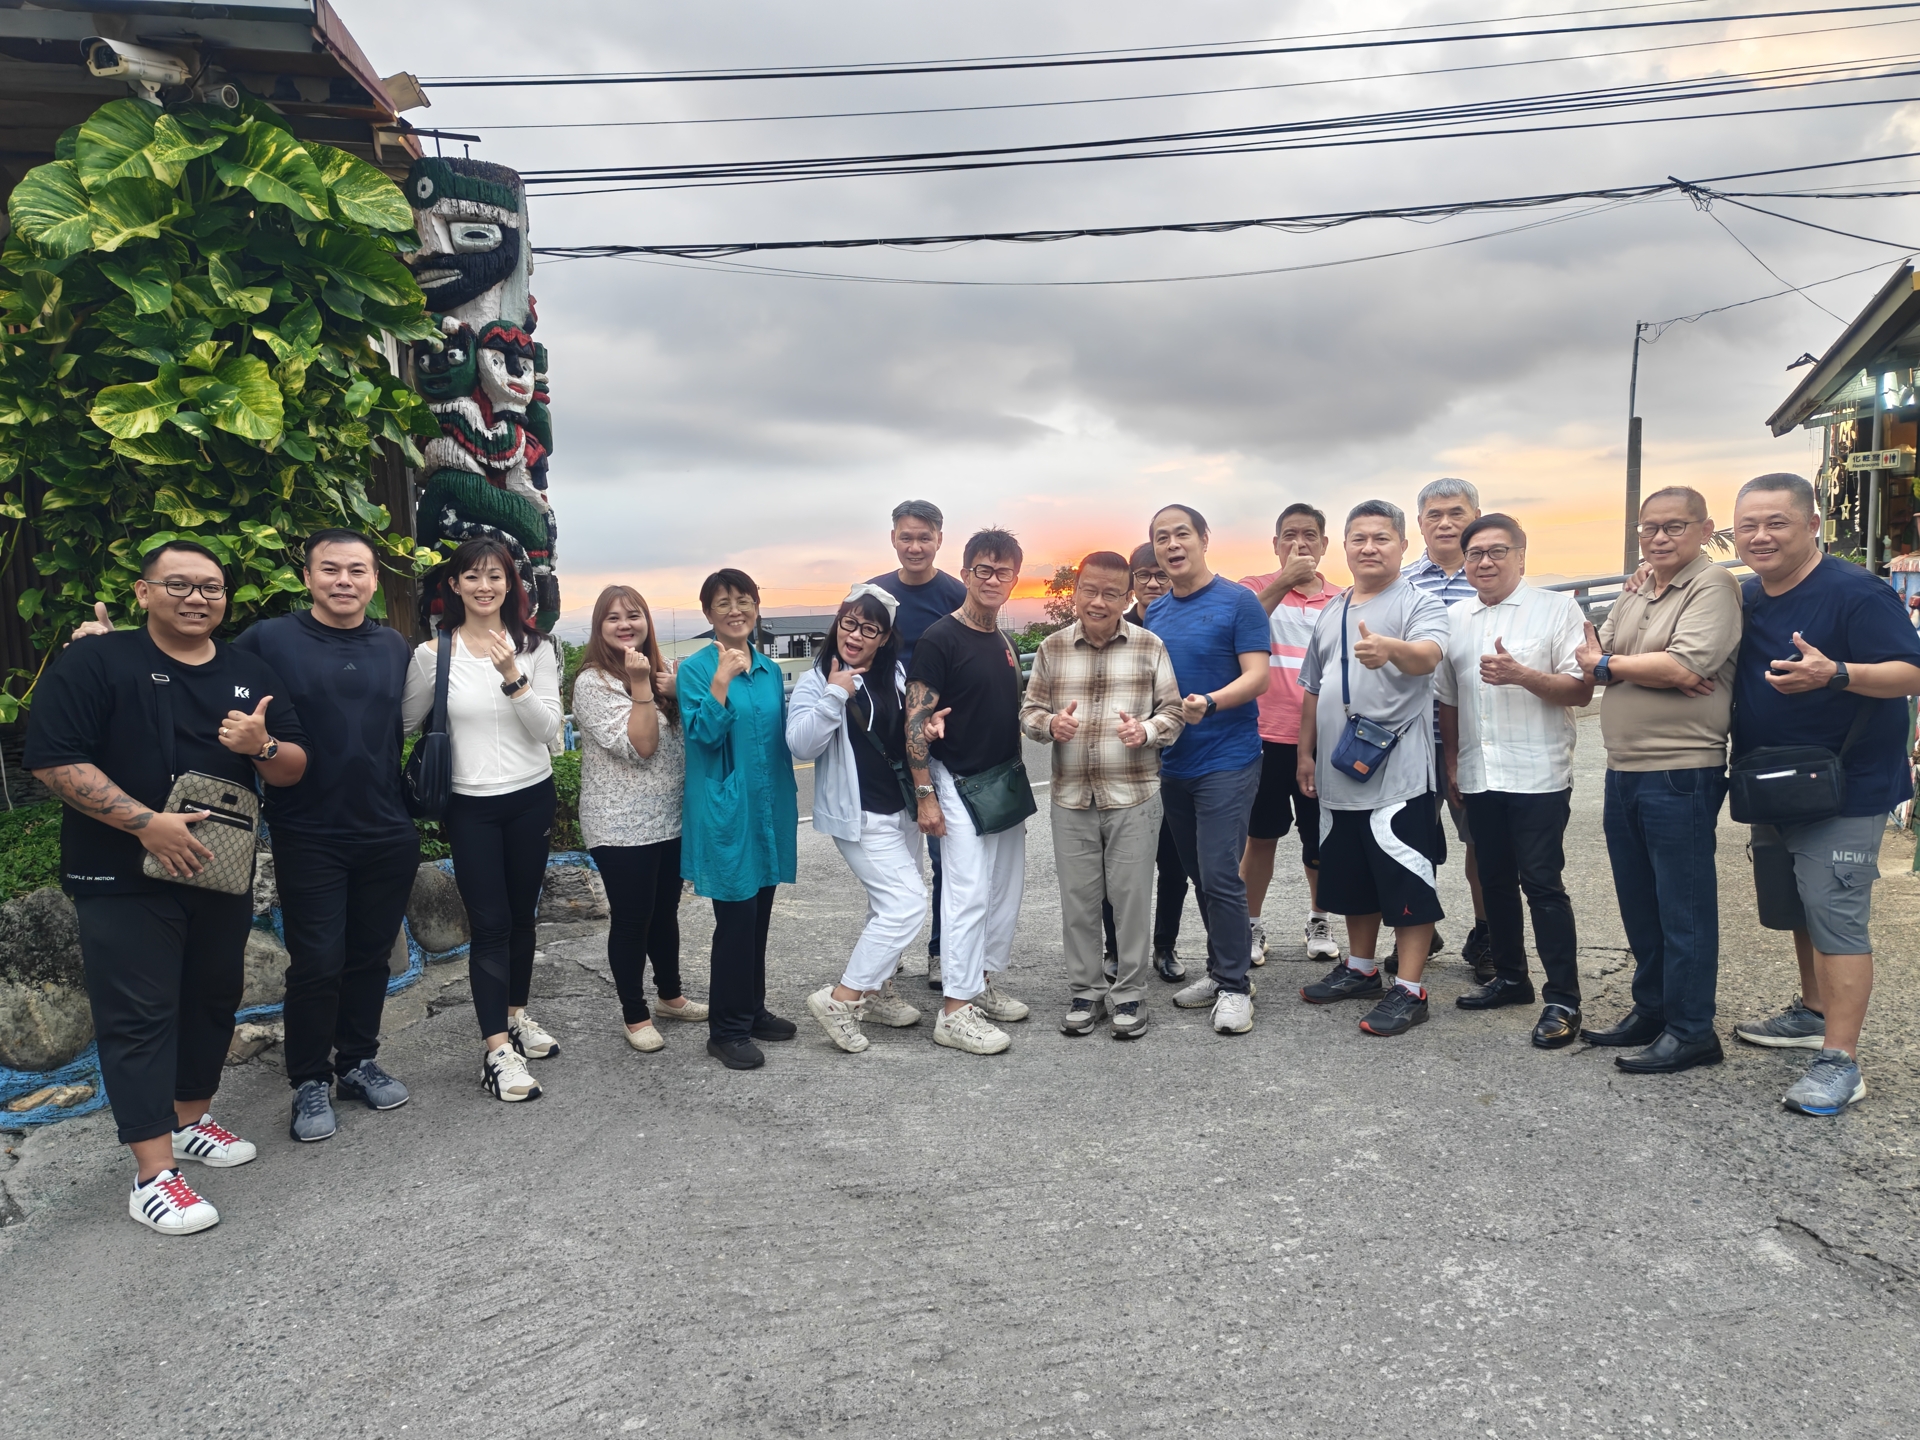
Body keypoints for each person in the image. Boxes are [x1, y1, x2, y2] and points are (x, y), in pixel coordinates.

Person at [66, 530, 419, 1143]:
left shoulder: (392, 644)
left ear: (374, 580)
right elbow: (192, 665)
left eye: (357, 570)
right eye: (330, 569)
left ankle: (358, 1061)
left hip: (387, 826)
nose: (343, 580)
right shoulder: (268, 639)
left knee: (370, 956)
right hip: (308, 828)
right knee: (318, 961)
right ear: (306, 577)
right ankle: (309, 1078)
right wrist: (111, 645)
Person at [27, 539, 310, 1234]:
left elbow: (294, 767)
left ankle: (189, 1122)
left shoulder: (249, 671)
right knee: (139, 1017)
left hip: (219, 871)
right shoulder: (97, 660)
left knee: (212, 999)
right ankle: (153, 1175)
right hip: (120, 875)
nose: (196, 598)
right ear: (143, 591)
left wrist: (261, 747)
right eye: (178, 584)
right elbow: (53, 761)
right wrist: (146, 824)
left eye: (210, 586)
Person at [1724, 473, 1920, 1115]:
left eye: (1776, 522)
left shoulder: (1855, 592)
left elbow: (1911, 673)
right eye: (1748, 525)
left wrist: (1836, 673)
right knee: (1800, 906)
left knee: (1836, 914)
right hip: (1773, 782)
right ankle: (1812, 1013)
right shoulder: (1747, 595)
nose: (1760, 536)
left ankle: (1841, 1061)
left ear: (1813, 525)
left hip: (1846, 787)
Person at [1574, 486, 1742, 1074]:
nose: (1660, 537)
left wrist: (1619, 667)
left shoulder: (1712, 584)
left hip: (1681, 769)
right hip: (1623, 767)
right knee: (1640, 902)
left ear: (1705, 530)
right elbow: (1594, 651)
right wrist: (1631, 666)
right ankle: (1652, 1009)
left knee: (1683, 907)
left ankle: (1692, 1030)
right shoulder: (1640, 587)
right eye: (1650, 527)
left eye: (1675, 526)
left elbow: (1683, 663)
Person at [403, 537, 564, 1103]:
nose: (484, 586)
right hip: (470, 805)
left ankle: (515, 1016)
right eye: (472, 576)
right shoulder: (433, 654)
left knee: (523, 918)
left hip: (531, 796)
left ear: (510, 584)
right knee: (490, 925)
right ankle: (496, 1051)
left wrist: (512, 675)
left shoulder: (536, 647)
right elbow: (402, 723)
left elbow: (549, 731)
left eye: (495, 575)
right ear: (454, 585)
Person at [1434, 515, 1592, 1048]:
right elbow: (1448, 699)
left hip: (1538, 772)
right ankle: (1509, 977)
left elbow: (1580, 690)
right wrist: (1452, 763)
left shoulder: (1557, 609)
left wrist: (1522, 675)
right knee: (1493, 879)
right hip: (1479, 773)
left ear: (1521, 556)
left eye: (1497, 551)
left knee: (1542, 883)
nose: (1485, 561)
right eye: (1474, 553)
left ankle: (1563, 999)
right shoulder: (1454, 618)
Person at [1296, 500, 1451, 1037]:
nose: (1369, 548)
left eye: (1381, 538)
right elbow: (1312, 688)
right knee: (1351, 876)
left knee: (1406, 876)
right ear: (1344, 547)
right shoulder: (1332, 608)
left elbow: (1429, 656)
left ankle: (1409, 988)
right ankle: (1361, 968)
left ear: (1403, 545)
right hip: (1338, 773)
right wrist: (1305, 753)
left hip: (1398, 775)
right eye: (1358, 538)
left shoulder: (1419, 602)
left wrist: (1391, 650)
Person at [1021, 551, 1185, 1039]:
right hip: (1071, 796)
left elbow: (1173, 711)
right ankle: (1086, 991)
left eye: (1111, 593)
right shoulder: (1052, 648)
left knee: (1131, 898)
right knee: (1078, 900)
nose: (1098, 601)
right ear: (1075, 591)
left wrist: (1147, 731)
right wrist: (1050, 724)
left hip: (1134, 794)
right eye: (1089, 590)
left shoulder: (1150, 646)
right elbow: (1029, 711)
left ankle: (1130, 993)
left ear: (1127, 597)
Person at [1143, 504, 1272, 1036]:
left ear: (1203, 539)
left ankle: (1236, 987)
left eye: (1181, 534)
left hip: (1229, 757)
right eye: (1161, 538)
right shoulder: (1155, 613)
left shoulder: (1239, 601)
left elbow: (1258, 676)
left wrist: (1212, 702)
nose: (1172, 545)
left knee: (1220, 872)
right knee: (1200, 874)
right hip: (1175, 762)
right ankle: (1222, 971)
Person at [906, 527, 1034, 1055]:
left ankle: (979, 982)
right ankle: (954, 1011)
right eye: (983, 569)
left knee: (1003, 892)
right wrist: (925, 794)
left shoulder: (1003, 640)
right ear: (965, 574)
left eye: (1003, 571)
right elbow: (915, 720)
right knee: (967, 894)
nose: (992, 579)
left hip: (1002, 784)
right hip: (957, 783)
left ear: (1015, 580)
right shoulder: (941, 638)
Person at [789, 584, 927, 1053]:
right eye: (849, 623)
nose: (855, 635)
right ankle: (842, 999)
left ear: (884, 638)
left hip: (901, 811)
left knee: (885, 905)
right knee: (907, 903)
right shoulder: (816, 680)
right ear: (837, 624)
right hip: (859, 815)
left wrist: (929, 728)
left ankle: (877, 990)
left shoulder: (895, 673)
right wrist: (834, 694)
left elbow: (903, 734)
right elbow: (800, 745)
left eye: (869, 629)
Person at [571, 584, 709, 1055]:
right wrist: (643, 686)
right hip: (619, 825)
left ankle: (670, 996)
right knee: (633, 918)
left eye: (633, 615)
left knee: (665, 912)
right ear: (599, 627)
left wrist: (676, 688)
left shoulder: (662, 672)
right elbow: (643, 746)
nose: (625, 625)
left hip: (670, 817)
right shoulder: (593, 682)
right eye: (613, 618)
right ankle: (635, 1014)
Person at [677, 568, 801, 1070]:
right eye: (723, 602)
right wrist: (721, 681)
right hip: (727, 811)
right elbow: (703, 736)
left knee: (759, 915)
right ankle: (726, 1030)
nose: (735, 610)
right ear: (708, 613)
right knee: (734, 921)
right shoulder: (695, 669)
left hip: (768, 806)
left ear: (756, 607)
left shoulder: (769, 670)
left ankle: (751, 1010)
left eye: (744, 600)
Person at [1238, 503, 1346, 967]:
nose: (1299, 543)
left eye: (1309, 535)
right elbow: (1238, 626)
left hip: (1322, 739)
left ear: (1324, 545)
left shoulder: (1343, 599)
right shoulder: (1251, 589)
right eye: (1289, 535)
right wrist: (1284, 581)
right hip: (1261, 736)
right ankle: (1250, 925)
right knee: (1260, 837)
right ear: (1275, 544)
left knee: (1319, 838)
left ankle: (1320, 919)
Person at [868, 499, 968, 989]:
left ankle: (940, 952)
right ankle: (884, 963)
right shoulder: (873, 595)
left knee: (945, 855)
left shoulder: (956, 594)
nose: (914, 546)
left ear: (939, 540)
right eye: (906, 537)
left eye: (924, 537)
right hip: (883, 744)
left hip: (939, 742)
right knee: (888, 858)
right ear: (893, 538)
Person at [1405, 477, 1492, 976]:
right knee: (1409, 840)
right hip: (1410, 737)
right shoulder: (1401, 583)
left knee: (1480, 841)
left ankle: (1486, 935)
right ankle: (1418, 927)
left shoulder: (1490, 578)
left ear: (1475, 516)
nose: (1444, 523)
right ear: (1419, 525)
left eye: (1456, 513)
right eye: (1434, 515)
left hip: (1473, 735)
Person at [1101, 543, 1190, 982]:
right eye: (1144, 575)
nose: (1153, 583)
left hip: (1178, 764)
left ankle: (1165, 947)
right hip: (1124, 767)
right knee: (1116, 868)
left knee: (1174, 866)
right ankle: (1115, 950)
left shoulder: (1184, 624)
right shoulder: (1115, 628)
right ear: (1131, 582)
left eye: (1161, 575)